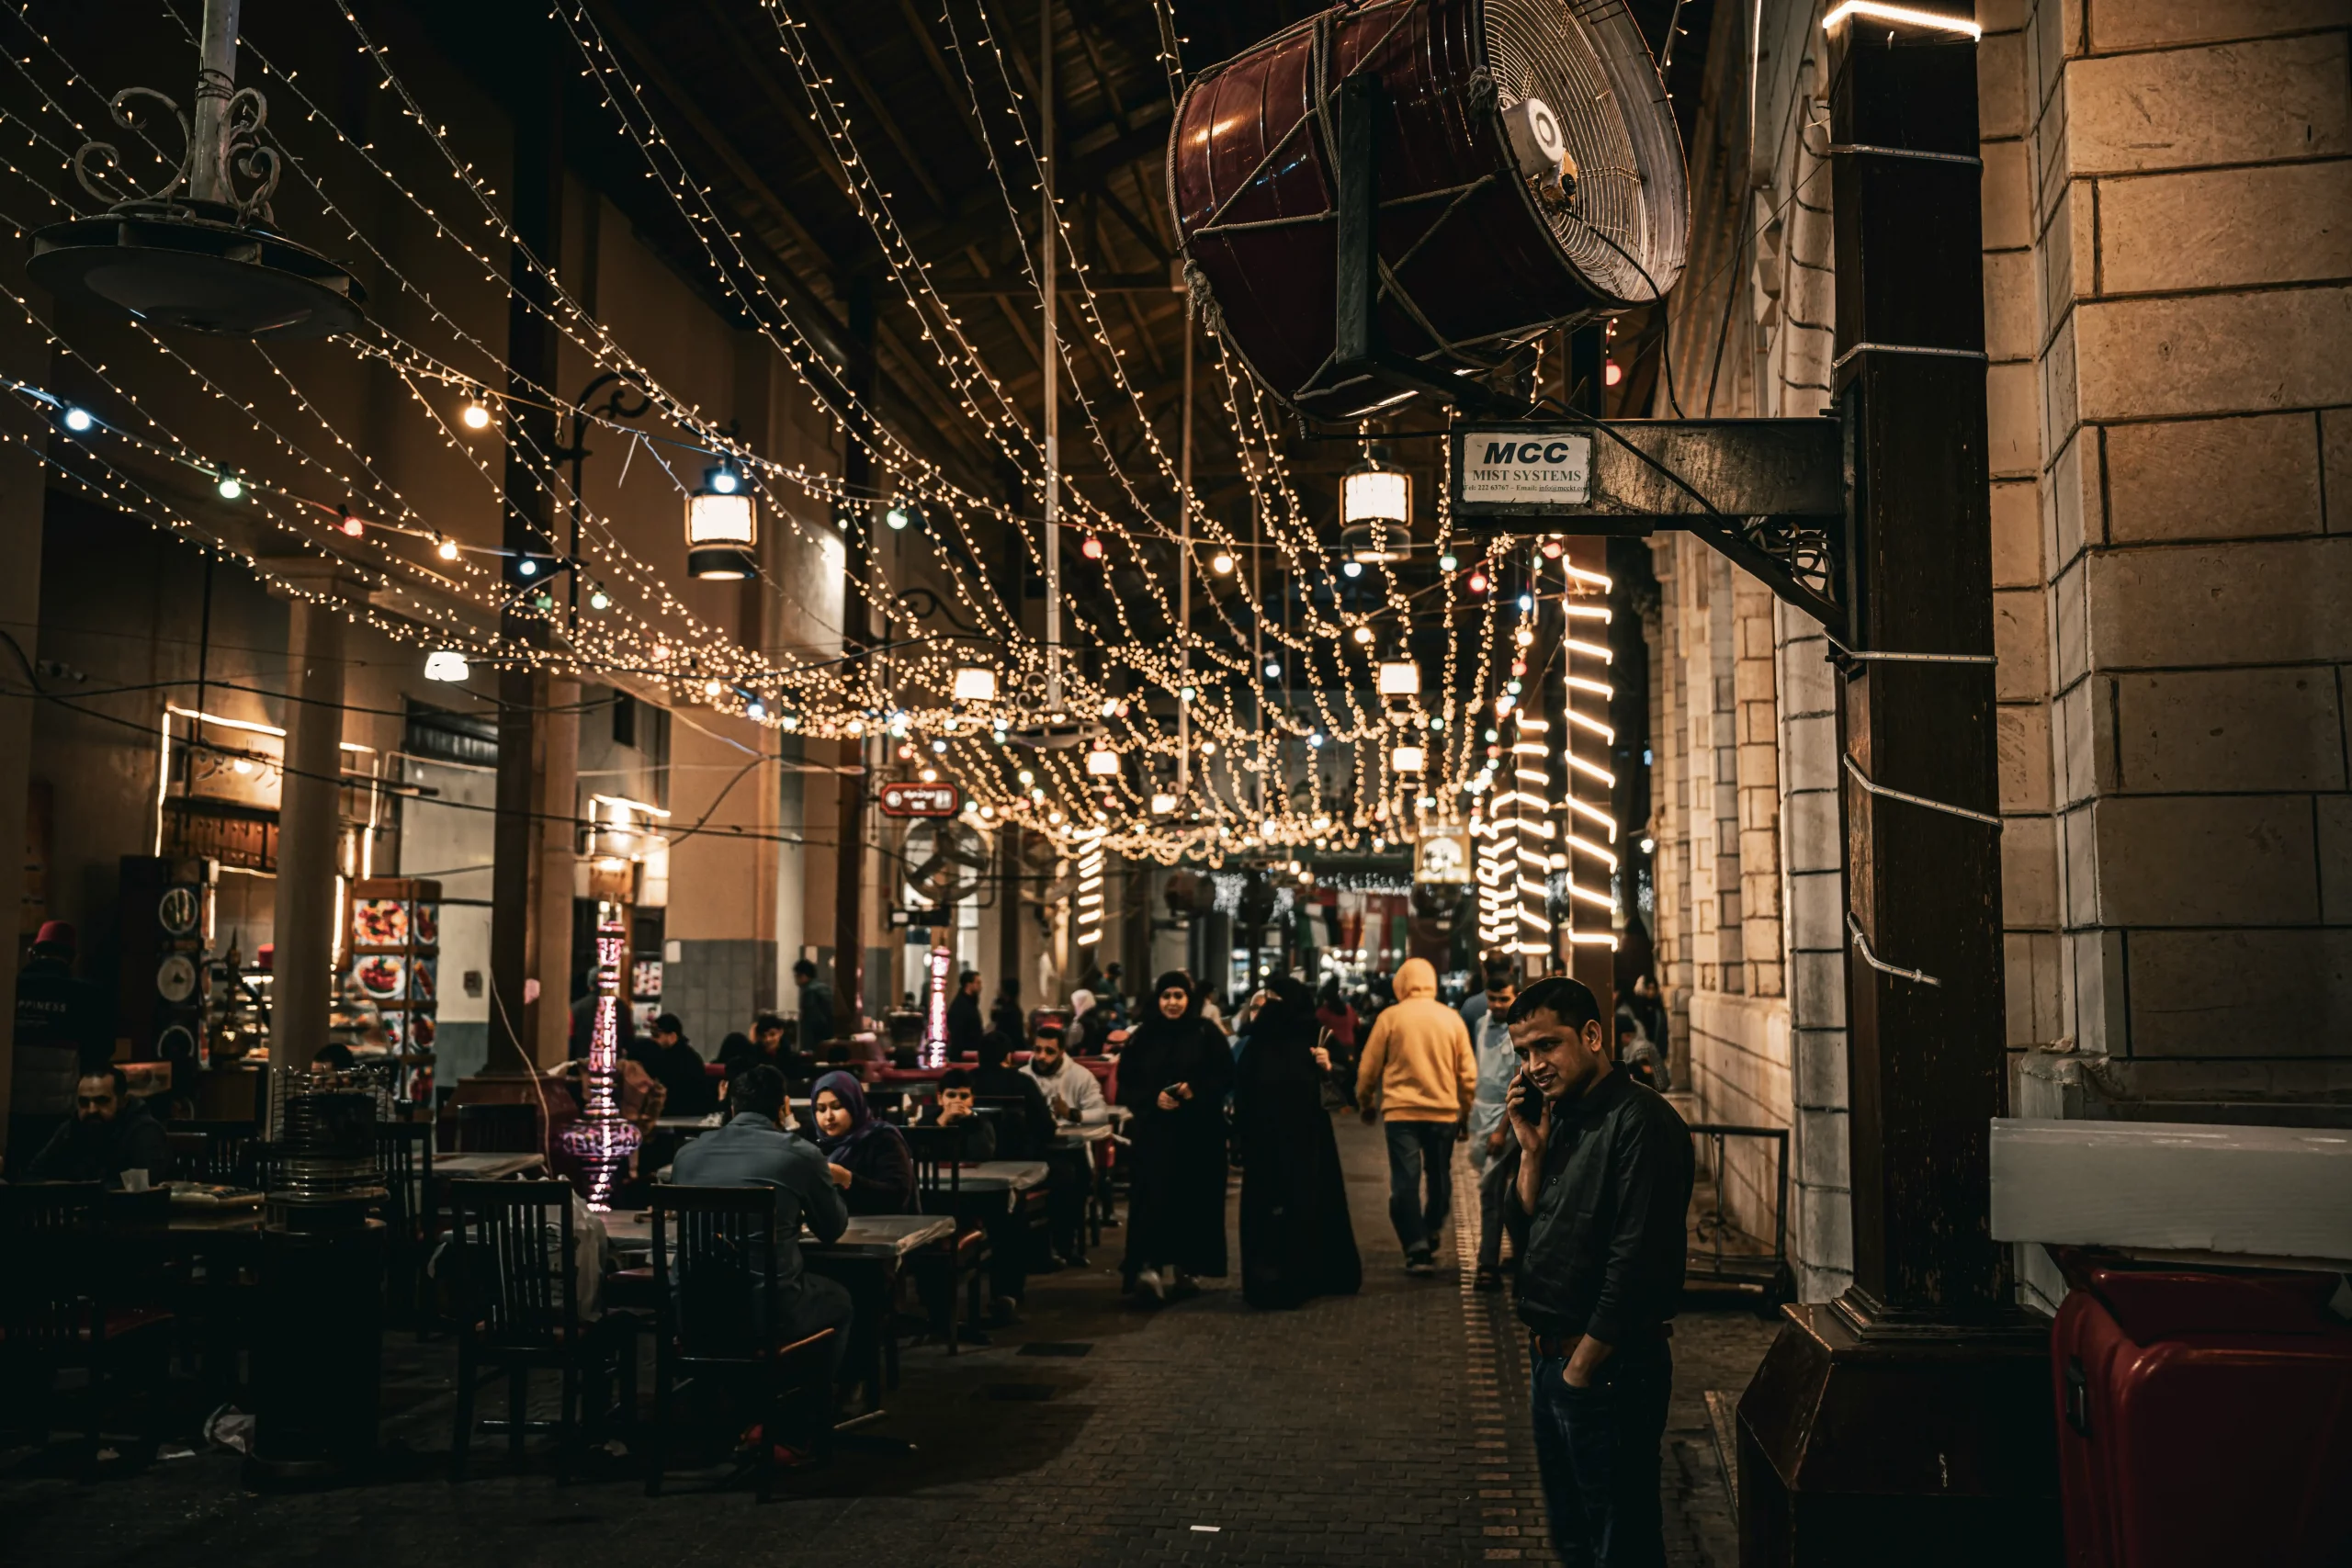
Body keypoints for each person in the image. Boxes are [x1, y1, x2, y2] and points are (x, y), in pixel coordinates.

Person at [1505, 976, 1695, 1568]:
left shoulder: (1641, 1122)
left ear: (1592, 1035)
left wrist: (1582, 1368)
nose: (1535, 1065)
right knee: (1577, 1538)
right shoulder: (1561, 1115)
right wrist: (1531, 1152)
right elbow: (1530, 1232)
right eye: (1524, 1053)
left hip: (1609, 1371)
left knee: (1622, 1541)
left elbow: (1638, 1258)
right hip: (1555, 1363)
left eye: (1547, 1046)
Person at [669, 1065, 854, 1384]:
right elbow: (831, 1230)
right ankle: (809, 1414)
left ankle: (723, 1401)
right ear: (784, 1107)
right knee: (840, 1300)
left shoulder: (687, 1155)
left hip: (692, 1309)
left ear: (731, 1107)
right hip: (767, 1312)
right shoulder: (801, 1155)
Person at [1232, 976, 1361, 1310]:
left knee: (1304, 1206)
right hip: (1270, 1142)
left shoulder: (1315, 1037)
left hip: (1306, 1141)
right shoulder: (1256, 1041)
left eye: (1277, 997)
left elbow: (1346, 1086)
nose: (1271, 1005)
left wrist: (1328, 1066)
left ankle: (1303, 1276)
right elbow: (1242, 1091)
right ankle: (1267, 1279)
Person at [1115, 971, 1233, 1303]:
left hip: (1198, 1136)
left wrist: (1195, 1090)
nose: (1172, 1003)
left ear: (1188, 999)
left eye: (1178, 996)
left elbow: (1224, 1074)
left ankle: (1187, 1266)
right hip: (1156, 1135)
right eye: (1166, 996)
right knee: (1152, 1197)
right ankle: (1149, 1267)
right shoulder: (1144, 1037)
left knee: (1192, 1200)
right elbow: (1127, 1082)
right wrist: (1153, 1098)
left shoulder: (1205, 1033)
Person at [1355, 955, 1477, 1276]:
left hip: (1401, 1113)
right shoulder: (1450, 1019)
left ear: (1401, 983)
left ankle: (1416, 1247)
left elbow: (1368, 1068)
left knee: (1404, 1181)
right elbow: (1467, 1073)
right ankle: (1433, 1226)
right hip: (1444, 1112)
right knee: (1439, 1175)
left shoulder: (1390, 1018)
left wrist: (1365, 1102)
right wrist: (1465, 1113)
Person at [10, 919, 107, 1168]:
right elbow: (100, 1054)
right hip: (59, 1120)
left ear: (32, 953)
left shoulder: (13, 988)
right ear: (73, 957)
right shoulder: (87, 996)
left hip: (10, 1116)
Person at [1023, 1026, 1108, 1259]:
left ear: (1061, 1052)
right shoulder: (1022, 1076)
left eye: (1049, 1051)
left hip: (1070, 1149)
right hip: (1034, 1151)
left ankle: (1066, 1246)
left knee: (1073, 1179)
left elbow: (1101, 1113)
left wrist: (1072, 1114)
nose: (1041, 1056)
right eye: (1037, 1049)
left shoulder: (1080, 1076)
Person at [1464, 964, 1522, 1292]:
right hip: (1481, 1118)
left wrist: (1502, 1130)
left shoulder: (1520, 1034)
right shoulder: (1480, 1025)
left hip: (1509, 1123)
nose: (1497, 1005)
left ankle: (1488, 1263)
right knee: (1505, 1194)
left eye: (1503, 999)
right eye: (1492, 999)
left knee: (1491, 1193)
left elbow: (1518, 1082)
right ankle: (1516, 1256)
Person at [27, 1066, 171, 1189]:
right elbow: (34, 1175)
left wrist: (79, 1191)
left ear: (122, 1101)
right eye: (84, 1102)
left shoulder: (143, 1131)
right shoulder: (73, 1128)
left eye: (102, 1101)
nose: (91, 1110)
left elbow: (143, 1185)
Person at [809, 1069, 914, 1215]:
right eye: (821, 1109)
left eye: (837, 1106)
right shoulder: (819, 1145)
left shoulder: (883, 1139)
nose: (828, 1116)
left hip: (884, 1229)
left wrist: (847, 1179)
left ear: (854, 1105)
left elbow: (896, 1196)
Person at [971, 1030, 1055, 1160]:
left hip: (972, 1159)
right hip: (1021, 1159)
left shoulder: (966, 1082)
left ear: (978, 1056)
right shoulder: (1024, 1082)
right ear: (1008, 1056)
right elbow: (1046, 1128)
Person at [628, 1012, 713, 1115]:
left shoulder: (679, 1060)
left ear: (672, 1036)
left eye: (657, 1035)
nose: (653, 1039)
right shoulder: (686, 1055)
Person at [914, 1068, 997, 1160]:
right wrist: (942, 1121)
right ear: (940, 1099)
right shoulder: (925, 1123)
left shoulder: (981, 1123)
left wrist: (971, 1121)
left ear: (972, 1100)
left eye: (964, 1096)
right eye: (951, 1095)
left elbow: (983, 1156)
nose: (957, 1100)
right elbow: (920, 1155)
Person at [792, 959, 836, 1055]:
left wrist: (806, 1048)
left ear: (803, 976)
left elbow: (810, 1021)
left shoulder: (809, 992)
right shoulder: (825, 988)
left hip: (816, 1043)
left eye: (796, 976)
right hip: (829, 1039)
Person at [946, 971, 985, 1061]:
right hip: (965, 1056)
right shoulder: (962, 1007)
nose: (981, 987)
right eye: (978, 983)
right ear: (969, 985)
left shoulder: (967, 1004)